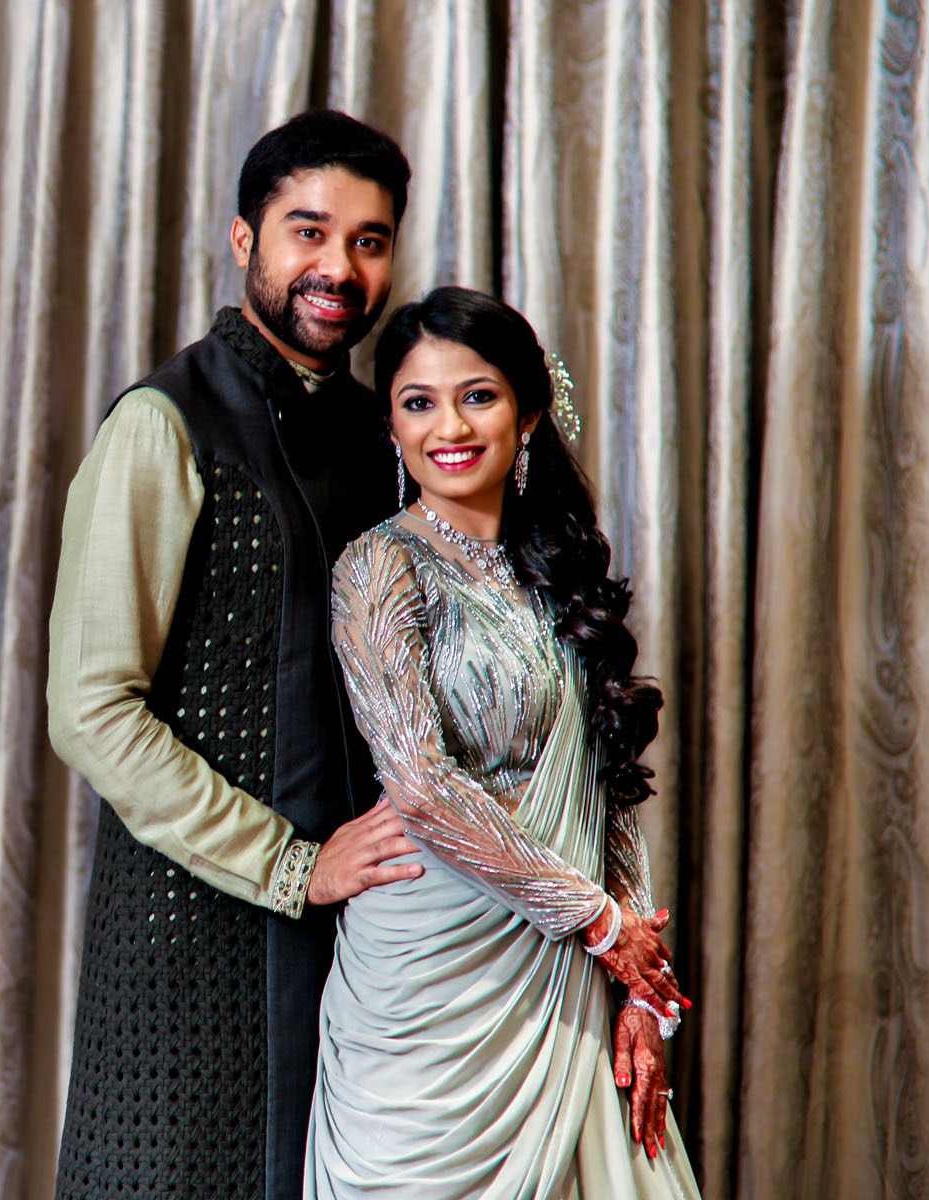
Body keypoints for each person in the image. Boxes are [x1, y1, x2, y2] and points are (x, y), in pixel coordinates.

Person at [46, 110, 422, 1200]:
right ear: (244, 239)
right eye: (309, 231)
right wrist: (293, 865)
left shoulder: (390, 437)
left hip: (365, 958)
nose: (339, 267)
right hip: (184, 953)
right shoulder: (164, 424)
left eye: (368, 240)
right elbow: (92, 710)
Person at [307, 286, 702, 1197]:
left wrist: (643, 988)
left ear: (526, 415)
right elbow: (420, 784)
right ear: (392, 427)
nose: (449, 426)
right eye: (418, 402)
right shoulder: (377, 566)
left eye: (477, 396)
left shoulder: (559, 567)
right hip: (426, 987)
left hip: (568, 968)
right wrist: (599, 923)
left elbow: (605, 784)